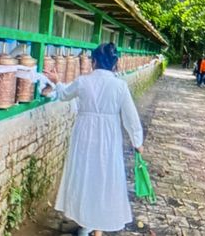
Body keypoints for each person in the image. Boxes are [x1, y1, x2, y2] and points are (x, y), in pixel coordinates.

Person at [44, 43, 144, 236]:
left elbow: (64, 95)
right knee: (104, 179)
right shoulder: (119, 86)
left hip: (84, 137)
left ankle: (86, 223)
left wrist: (56, 81)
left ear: (94, 61)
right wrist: (137, 142)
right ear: (115, 64)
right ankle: (96, 228)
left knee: (86, 177)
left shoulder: (83, 82)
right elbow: (130, 117)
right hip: (108, 138)